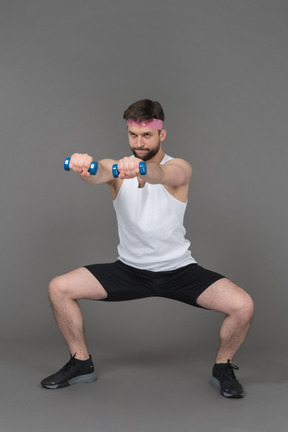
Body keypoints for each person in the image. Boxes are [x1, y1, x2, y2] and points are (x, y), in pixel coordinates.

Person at [41, 99, 254, 398]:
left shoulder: (179, 167)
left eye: (147, 135)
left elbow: (165, 175)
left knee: (243, 306)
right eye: (133, 135)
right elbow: (99, 172)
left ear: (161, 135)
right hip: (128, 271)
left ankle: (223, 367)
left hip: (179, 270)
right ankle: (80, 363)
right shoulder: (117, 169)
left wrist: (143, 170)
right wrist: (83, 166)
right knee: (58, 288)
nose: (139, 142)